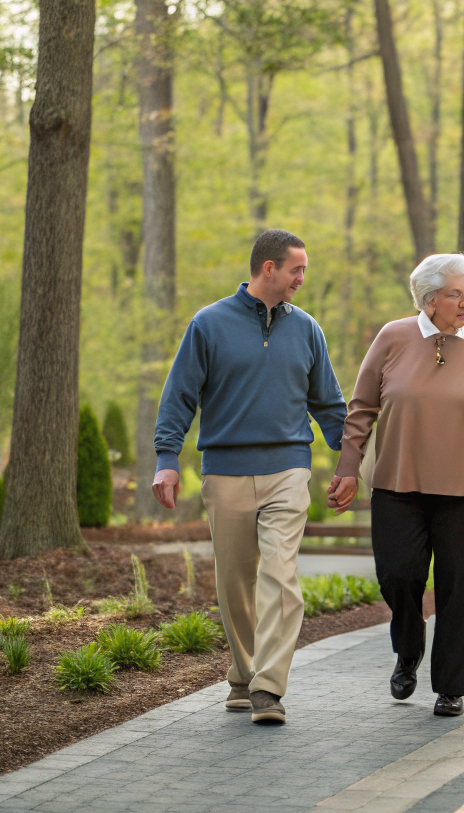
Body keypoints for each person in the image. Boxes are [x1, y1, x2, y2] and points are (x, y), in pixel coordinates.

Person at [151, 230, 346, 725]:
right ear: (268, 269)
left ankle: (268, 689)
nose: (303, 278)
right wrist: (166, 457)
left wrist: (353, 461)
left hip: (288, 468)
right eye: (296, 269)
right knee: (235, 582)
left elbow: (329, 404)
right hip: (226, 471)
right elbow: (180, 396)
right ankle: (243, 675)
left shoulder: (307, 329)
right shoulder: (209, 324)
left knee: (281, 577)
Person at [329, 253, 464, 718]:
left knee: (456, 586)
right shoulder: (393, 336)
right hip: (398, 480)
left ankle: (450, 686)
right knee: (398, 573)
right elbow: (362, 406)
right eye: (457, 293)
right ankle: (408, 648)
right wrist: (349, 467)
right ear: (430, 300)